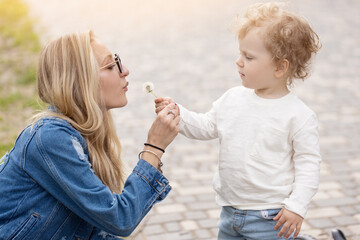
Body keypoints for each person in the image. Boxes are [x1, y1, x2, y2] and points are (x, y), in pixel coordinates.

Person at [155, 2, 321, 239]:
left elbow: (309, 164)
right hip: (230, 213)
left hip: (272, 219)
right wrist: (176, 112)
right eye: (240, 53)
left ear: (279, 67)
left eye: (249, 57)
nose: (238, 61)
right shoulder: (232, 98)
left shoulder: (298, 115)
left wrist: (296, 206)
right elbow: (206, 126)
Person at [0, 30, 180, 239]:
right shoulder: (51, 139)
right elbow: (120, 219)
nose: (126, 71)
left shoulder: (85, 134)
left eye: (118, 61)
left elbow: (94, 231)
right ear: (80, 80)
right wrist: (154, 148)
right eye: (111, 66)